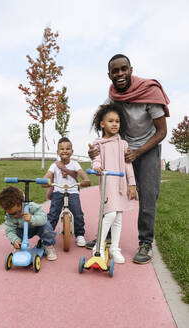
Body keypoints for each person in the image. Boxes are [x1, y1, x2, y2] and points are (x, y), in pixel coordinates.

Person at [86, 54, 169, 265]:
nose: (120, 74)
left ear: (131, 69)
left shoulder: (149, 91)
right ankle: (108, 235)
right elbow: (101, 121)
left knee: (148, 194)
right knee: (111, 191)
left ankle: (146, 242)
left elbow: (161, 132)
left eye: (124, 69)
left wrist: (139, 151)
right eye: (115, 71)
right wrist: (96, 150)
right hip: (121, 147)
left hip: (148, 147)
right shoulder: (113, 96)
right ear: (109, 75)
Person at [90, 103, 137, 263]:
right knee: (109, 214)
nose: (115, 124)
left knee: (118, 217)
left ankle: (115, 248)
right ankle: (98, 246)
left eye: (117, 121)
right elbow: (96, 159)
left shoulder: (122, 144)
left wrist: (132, 184)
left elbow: (128, 165)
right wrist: (96, 166)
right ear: (102, 124)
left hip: (121, 184)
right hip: (108, 184)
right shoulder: (98, 144)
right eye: (111, 121)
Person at [44, 137, 90, 247]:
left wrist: (86, 180)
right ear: (57, 152)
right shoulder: (54, 165)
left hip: (73, 192)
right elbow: (48, 175)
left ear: (72, 151)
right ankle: (47, 235)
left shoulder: (75, 164)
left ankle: (80, 234)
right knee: (53, 214)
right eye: (62, 149)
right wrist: (45, 181)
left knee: (77, 212)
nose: (65, 151)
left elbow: (82, 174)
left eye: (68, 148)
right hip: (58, 191)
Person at [0, 186, 57, 261]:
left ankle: (49, 246)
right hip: (22, 230)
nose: (15, 216)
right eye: (11, 214)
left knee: (46, 227)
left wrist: (32, 218)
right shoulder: (10, 217)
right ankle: (20, 248)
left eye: (17, 212)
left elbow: (43, 218)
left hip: (36, 227)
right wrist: (15, 240)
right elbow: (9, 230)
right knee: (15, 236)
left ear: (23, 203)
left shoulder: (32, 207)